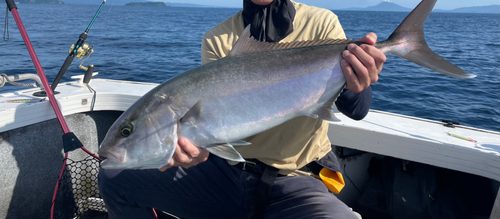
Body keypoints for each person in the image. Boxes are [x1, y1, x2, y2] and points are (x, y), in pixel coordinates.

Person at [98, 0, 386, 218]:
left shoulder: (320, 22)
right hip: (226, 175)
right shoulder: (218, 38)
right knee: (114, 179)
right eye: (127, 131)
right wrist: (196, 153)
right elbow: (214, 127)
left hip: (296, 179)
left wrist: (355, 82)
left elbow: (358, 110)